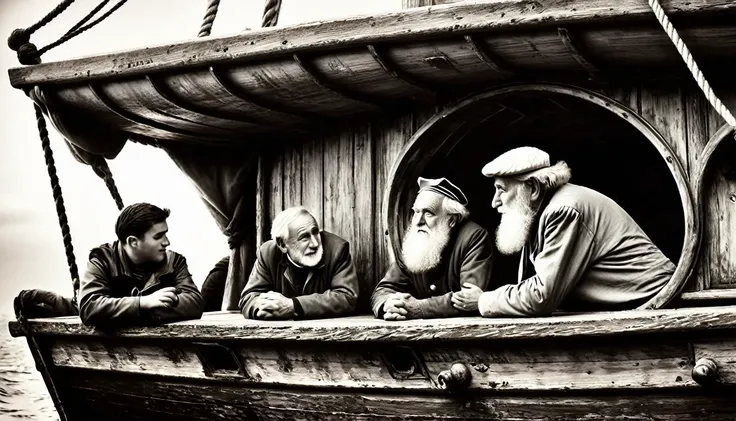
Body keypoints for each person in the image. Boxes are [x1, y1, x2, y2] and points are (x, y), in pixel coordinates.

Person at [452, 146, 676, 317]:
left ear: (533, 188)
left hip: (657, 303)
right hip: (641, 306)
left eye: (501, 190)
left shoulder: (563, 210)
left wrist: (483, 301)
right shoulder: (540, 211)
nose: (494, 203)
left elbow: (541, 296)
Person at [370, 177, 493, 320]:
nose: (418, 221)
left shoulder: (474, 237)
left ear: (452, 219)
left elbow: (469, 298)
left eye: (428, 213)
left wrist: (419, 308)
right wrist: (388, 304)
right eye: (416, 212)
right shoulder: (415, 240)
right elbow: (383, 290)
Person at [79, 203, 204, 328]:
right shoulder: (103, 261)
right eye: (158, 236)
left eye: (165, 234)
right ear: (133, 241)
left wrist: (133, 312)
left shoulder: (174, 262)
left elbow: (195, 303)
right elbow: (89, 308)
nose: (167, 242)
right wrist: (142, 302)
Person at [239, 206, 359, 320]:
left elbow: (347, 297)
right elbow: (248, 298)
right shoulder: (268, 253)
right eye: (304, 237)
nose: (315, 244)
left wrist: (293, 306)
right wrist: (264, 306)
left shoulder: (337, 249)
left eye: (315, 232)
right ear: (282, 244)